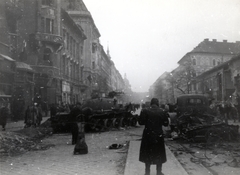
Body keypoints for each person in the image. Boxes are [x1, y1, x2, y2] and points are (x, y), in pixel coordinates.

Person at [138, 98, 169, 175]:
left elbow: (141, 122)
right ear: (157, 103)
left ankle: (147, 172)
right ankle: (159, 172)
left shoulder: (145, 111)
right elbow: (166, 123)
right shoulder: (162, 111)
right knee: (159, 153)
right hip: (158, 135)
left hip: (148, 135)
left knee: (147, 153)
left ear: (151, 103)